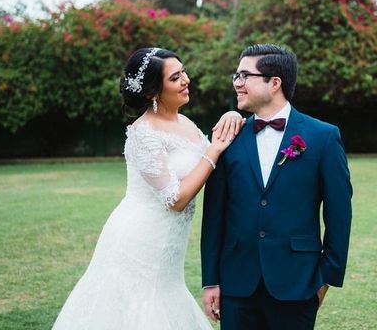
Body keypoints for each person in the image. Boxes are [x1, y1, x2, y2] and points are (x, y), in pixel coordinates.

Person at [52, 47, 244, 330]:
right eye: (175, 77)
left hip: (169, 247)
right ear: (153, 91)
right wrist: (213, 151)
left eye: (183, 71)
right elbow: (175, 199)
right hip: (140, 240)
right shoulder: (143, 135)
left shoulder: (185, 122)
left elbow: (210, 154)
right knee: (140, 309)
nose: (186, 80)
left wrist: (233, 116)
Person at [201, 44, 353, 330]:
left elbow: (339, 215)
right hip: (236, 284)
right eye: (236, 75)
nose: (237, 82)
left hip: (298, 283)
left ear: (274, 83)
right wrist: (211, 280)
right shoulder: (227, 138)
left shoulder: (323, 137)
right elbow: (214, 216)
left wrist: (325, 280)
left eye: (245, 75)